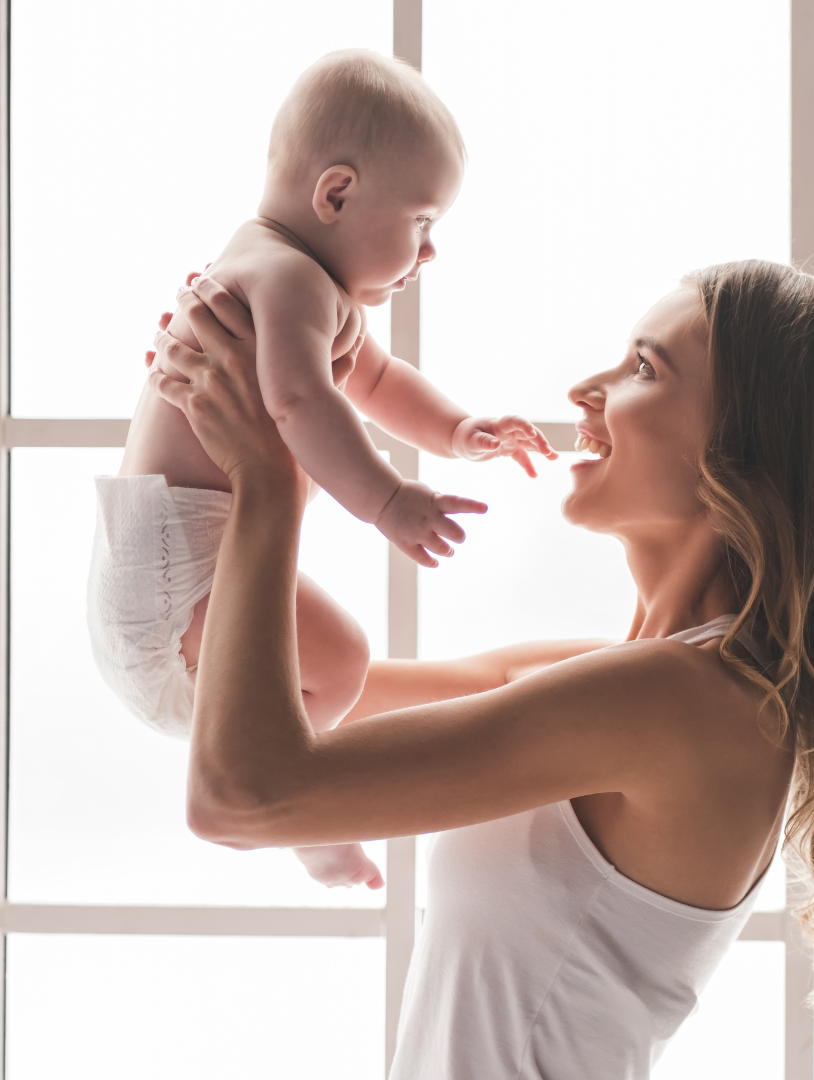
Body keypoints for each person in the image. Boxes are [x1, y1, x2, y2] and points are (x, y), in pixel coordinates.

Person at [149, 259, 814, 1079]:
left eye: (645, 368)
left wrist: (268, 479)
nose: (586, 388)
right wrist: (219, 408)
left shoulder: (686, 704)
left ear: (745, 452)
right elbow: (276, 697)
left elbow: (239, 797)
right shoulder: (627, 683)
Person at [87, 50, 554, 889]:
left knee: (338, 670)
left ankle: (282, 787)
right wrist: (388, 503)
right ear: (335, 194)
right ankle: (297, 811)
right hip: (175, 582)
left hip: (158, 580)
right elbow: (303, 403)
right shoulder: (287, 278)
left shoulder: (293, 275)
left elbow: (370, 381)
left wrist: (456, 430)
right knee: (340, 662)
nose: (431, 251)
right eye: (421, 221)